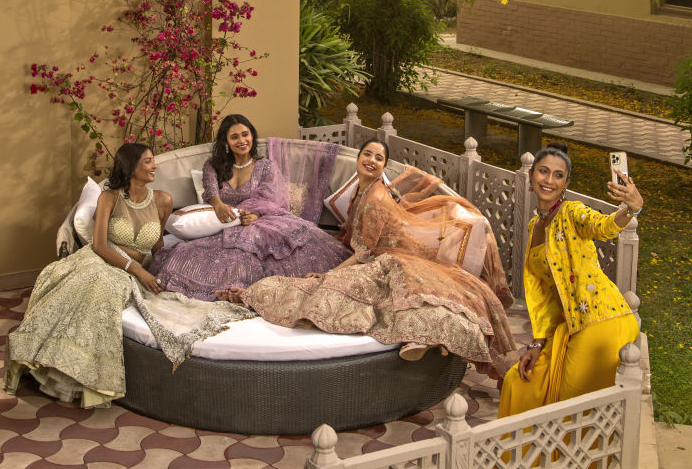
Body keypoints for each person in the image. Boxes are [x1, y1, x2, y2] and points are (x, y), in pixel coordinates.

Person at [222, 139, 517, 374]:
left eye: (379, 158)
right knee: (318, 281)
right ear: (358, 158)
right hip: (379, 255)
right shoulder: (363, 191)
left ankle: (425, 335)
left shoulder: (375, 197)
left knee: (327, 290)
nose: (372, 160)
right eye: (368, 154)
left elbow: (366, 251)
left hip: (390, 260)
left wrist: (331, 275)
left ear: (384, 166)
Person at [4, 143, 173, 407]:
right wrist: (135, 267)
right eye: (148, 161)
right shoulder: (109, 198)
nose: (154, 166)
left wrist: (158, 269)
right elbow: (100, 245)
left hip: (131, 270)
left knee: (104, 289)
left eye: (153, 161)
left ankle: (83, 373)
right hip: (103, 259)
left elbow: (157, 246)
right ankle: (50, 363)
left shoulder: (163, 200)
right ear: (131, 166)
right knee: (86, 282)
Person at [498, 142, 642, 416]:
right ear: (531, 175)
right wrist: (538, 343)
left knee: (567, 409)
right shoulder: (534, 225)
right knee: (519, 382)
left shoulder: (572, 212)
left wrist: (632, 209)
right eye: (543, 171)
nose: (549, 180)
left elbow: (604, 226)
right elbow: (545, 296)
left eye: (558, 175)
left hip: (603, 321)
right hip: (570, 326)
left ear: (566, 183)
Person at [148, 114, 351, 301]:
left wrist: (254, 216)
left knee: (289, 248)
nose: (242, 141)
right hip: (225, 221)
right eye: (234, 137)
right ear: (226, 142)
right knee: (185, 253)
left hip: (261, 219)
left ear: (252, 136)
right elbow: (211, 191)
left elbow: (268, 199)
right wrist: (218, 206)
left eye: (245, 134)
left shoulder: (265, 167)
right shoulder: (213, 165)